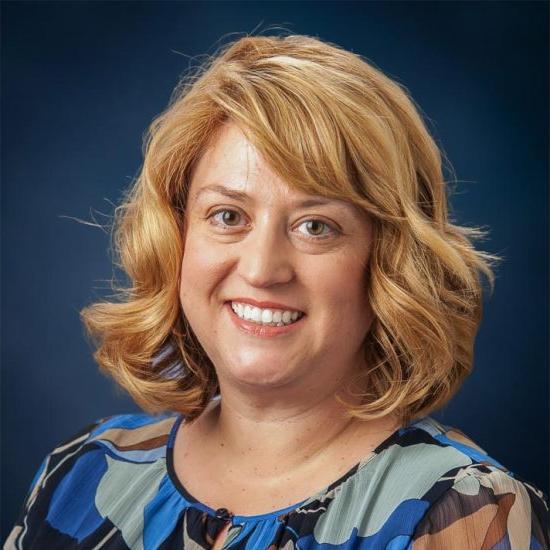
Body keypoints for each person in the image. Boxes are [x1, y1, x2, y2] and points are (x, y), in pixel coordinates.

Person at [5, 33, 549, 550]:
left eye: (316, 226)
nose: (263, 269)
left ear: (389, 262)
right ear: (177, 238)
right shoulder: (80, 473)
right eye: (227, 215)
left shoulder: (461, 511)